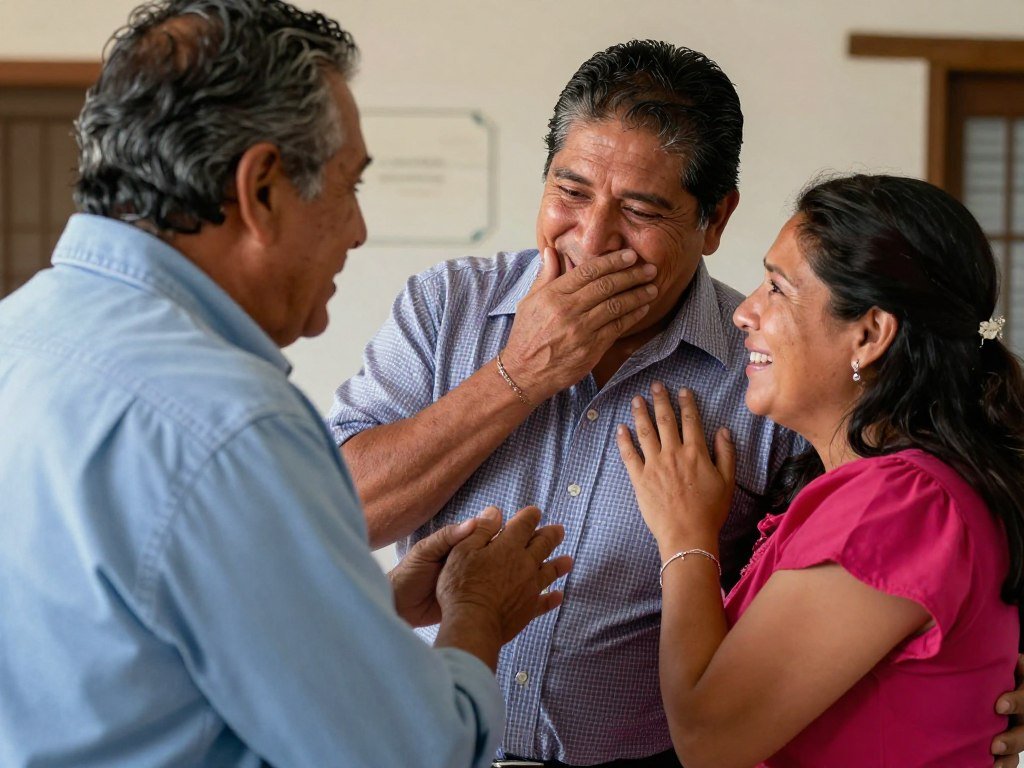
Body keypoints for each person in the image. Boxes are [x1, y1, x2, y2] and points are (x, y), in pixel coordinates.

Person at [329, 41, 1024, 766]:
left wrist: (986, 669)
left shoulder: (773, 382)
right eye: (571, 192)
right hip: (420, 745)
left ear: (715, 219)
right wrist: (517, 375)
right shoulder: (446, 307)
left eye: (639, 210)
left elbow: (898, 578)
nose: (593, 238)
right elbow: (338, 511)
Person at [0, 1, 572, 766]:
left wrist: (356, 614)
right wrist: (477, 613)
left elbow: (124, 648)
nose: (358, 231)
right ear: (263, 190)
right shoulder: (231, 424)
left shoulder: (18, 336)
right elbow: (409, 755)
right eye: (348, 185)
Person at [617, 173, 1024, 766]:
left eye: (777, 289)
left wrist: (684, 536)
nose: (745, 312)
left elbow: (708, 741)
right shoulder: (888, 489)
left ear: (869, 335)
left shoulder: (901, 505)